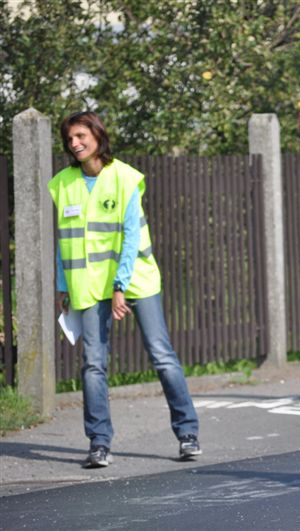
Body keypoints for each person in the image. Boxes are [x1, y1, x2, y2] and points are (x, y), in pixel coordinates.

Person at [49, 111, 201, 468]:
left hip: (135, 278)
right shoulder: (63, 183)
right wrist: (62, 286)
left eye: (81, 136)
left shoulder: (125, 177)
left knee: (161, 355)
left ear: (98, 135)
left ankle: (188, 433)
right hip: (88, 283)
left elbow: (131, 237)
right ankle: (99, 443)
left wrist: (120, 285)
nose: (75, 144)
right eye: (70, 139)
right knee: (92, 364)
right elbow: (63, 240)